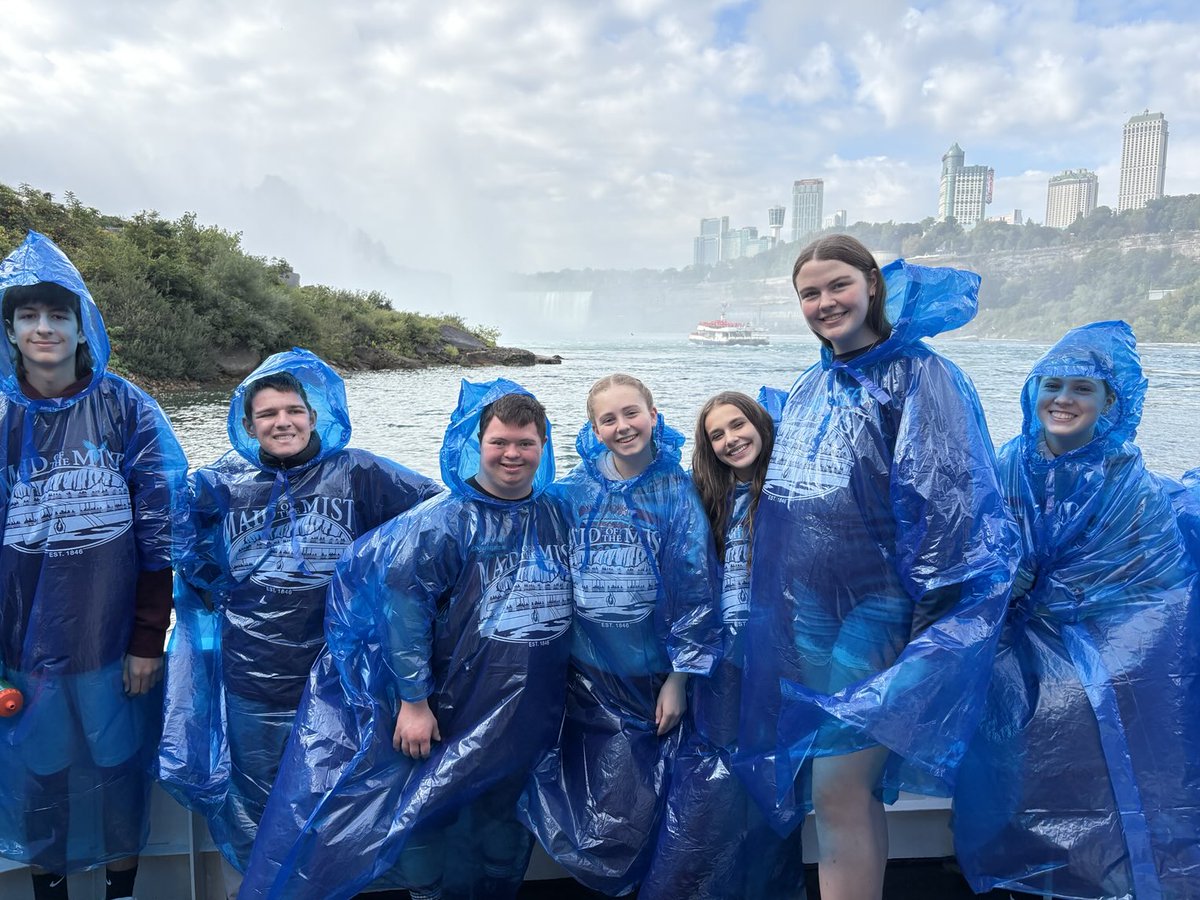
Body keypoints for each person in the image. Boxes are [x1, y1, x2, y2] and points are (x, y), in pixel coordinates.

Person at [735, 236, 1021, 900]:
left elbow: (948, 504)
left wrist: (925, 620)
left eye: (838, 285)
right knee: (844, 791)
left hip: (881, 608)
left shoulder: (920, 376)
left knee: (837, 786)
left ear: (872, 283)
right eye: (809, 292)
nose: (824, 302)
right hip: (814, 610)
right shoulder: (815, 383)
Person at [238, 379, 573, 900]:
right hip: (453, 706)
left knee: (504, 830)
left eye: (525, 444)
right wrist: (414, 704)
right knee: (433, 822)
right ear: (476, 445)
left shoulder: (557, 512)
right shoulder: (441, 523)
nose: (512, 454)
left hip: (529, 709)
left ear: (543, 447)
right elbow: (404, 619)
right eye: (500, 443)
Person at [158, 348, 440, 898]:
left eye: (293, 410)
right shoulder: (218, 484)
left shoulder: (360, 473)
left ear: (314, 415)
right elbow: (185, 554)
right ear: (248, 423)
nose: (282, 422)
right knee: (259, 802)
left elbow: (439, 519)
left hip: (339, 683)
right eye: (268, 414)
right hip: (252, 682)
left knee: (340, 797)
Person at [954, 321, 1200, 899]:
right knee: (1009, 714)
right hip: (1019, 640)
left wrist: (1057, 596)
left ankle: (1104, 873)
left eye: (1083, 389)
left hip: (1109, 644)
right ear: (1032, 392)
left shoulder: (1128, 481)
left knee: (1079, 709)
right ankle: (1027, 870)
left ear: (1110, 403)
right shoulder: (1007, 463)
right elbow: (978, 554)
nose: (1064, 398)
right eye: (1053, 384)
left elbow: (1157, 586)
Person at [0, 231, 189, 900]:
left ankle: (120, 889)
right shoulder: (0, 417)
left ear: (83, 326)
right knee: (40, 773)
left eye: (59, 315)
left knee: (116, 768)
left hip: (113, 644)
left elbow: (161, 534)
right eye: (28, 315)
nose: (44, 328)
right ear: (11, 327)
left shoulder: (125, 408)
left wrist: (147, 639)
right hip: (24, 646)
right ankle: (48, 889)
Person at [522, 373, 721, 896]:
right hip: (588, 677)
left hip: (654, 676)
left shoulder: (676, 492)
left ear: (654, 416)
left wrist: (680, 677)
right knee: (602, 803)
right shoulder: (573, 490)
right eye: (608, 419)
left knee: (651, 802)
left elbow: (694, 589)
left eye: (631, 413)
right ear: (594, 428)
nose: (622, 426)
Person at [641, 389, 806, 900]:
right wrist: (680, 676)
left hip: (784, 665)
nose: (731, 439)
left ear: (759, 423)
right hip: (721, 667)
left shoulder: (793, 492)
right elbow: (689, 593)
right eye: (717, 434)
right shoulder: (707, 502)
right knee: (708, 792)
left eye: (738, 425)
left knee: (770, 790)